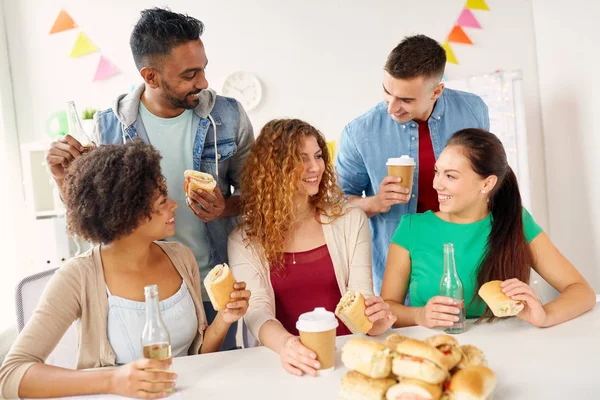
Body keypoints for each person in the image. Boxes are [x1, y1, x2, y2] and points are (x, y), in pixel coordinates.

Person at [44, 8, 254, 350]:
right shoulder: (109, 127)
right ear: (151, 76)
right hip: (141, 295)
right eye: (190, 74)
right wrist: (61, 180)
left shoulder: (228, 116)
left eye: (203, 68)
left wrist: (224, 207)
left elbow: (260, 197)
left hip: (213, 284)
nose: (203, 83)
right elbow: (95, 216)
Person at [0, 140, 250, 399]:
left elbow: (194, 358)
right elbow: (11, 375)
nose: (174, 205)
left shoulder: (180, 257)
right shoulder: (78, 276)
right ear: (126, 211)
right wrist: (113, 380)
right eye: (163, 200)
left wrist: (225, 318)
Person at [229, 119, 396, 377]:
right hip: (284, 362)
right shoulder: (245, 238)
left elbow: (360, 297)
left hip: (345, 357)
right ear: (274, 168)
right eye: (302, 158)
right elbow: (256, 310)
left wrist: (376, 322)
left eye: (318, 156)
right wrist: (288, 346)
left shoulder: (350, 219)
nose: (315, 167)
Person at [381, 128, 596, 328]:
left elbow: (581, 291)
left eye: (450, 176)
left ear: (487, 184)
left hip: (510, 349)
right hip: (437, 351)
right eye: (437, 172)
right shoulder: (412, 228)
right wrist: (420, 316)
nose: (437, 184)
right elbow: (387, 307)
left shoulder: (514, 220)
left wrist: (544, 316)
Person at [336, 35, 489, 294]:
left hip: (468, 255)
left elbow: (488, 175)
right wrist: (374, 202)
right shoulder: (359, 132)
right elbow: (334, 207)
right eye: (387, 92)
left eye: (406, 100)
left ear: (436, 91)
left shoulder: (473, 110)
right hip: (399, 272)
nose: (392, 108)